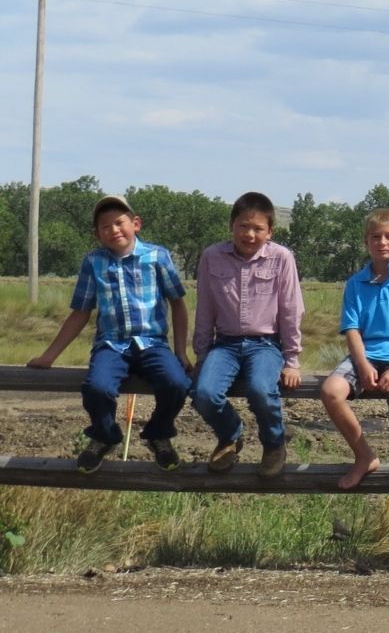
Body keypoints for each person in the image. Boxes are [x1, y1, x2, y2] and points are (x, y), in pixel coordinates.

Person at [27, 195, 191, 473]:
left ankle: (158, 434)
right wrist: (49, 356)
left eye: (119, 222)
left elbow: (177, 303)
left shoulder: (157, 256)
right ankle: (104, 435)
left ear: (135, 223)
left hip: (152, 343)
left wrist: (180, 352)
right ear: (97, 234)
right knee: (97, 388)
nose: (114, 230)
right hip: (112, 344)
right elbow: (80, 312)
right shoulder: (93, 262)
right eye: (105, 226)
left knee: (177, 382)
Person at [320, 208, 389, 524]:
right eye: (375, 237)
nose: (382, 242)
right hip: (366, 354)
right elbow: (352, 329)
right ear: (366, 242)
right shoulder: (356, 283)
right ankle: (364, 456)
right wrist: (362, 362)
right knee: (330, 391)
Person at [189, 191, 304, 478]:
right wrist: (202, 354)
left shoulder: (281, 258)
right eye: (243, 226)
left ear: (270, 231)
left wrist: (291, 360)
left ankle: (274, 443)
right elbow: (204, 307)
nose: (250, 234)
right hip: (224, 344)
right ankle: (230, 434)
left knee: (261, 390)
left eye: (258, 229)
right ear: (232, 225)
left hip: (265, 344)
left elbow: (291, 309)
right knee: (203, 393)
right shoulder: (212, 257)